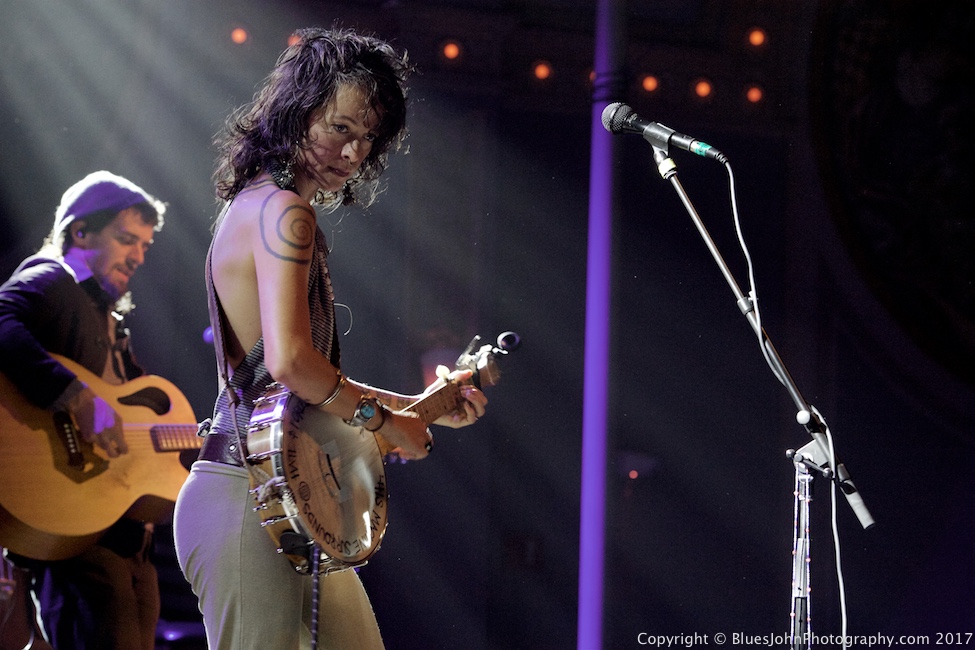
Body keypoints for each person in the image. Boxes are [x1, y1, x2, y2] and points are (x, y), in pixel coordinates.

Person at [172, 26, 488, 649]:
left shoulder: (261, 203)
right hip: (246, 501)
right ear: (297, 111)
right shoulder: (287, 213)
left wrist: (417, 409)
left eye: (367, 137)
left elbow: (295, 382)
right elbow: (291, 364)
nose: (352, 152)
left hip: (281, 504)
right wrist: (382, 421)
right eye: (340, 128)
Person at [0, 171, 166, 649]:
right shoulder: (51, 279)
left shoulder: (107, 319)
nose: (137, 256)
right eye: (126, 239)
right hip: (75, 530)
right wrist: (73, 395)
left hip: (124, 536)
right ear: (80, 232)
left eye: (145, 246)